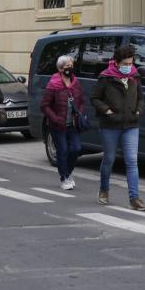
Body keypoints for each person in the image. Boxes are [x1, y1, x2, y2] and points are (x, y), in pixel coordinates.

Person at [91, 45, 145, 211]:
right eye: (125, 63)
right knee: (109, 159)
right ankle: (104, 189)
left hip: (131, 124)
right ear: (116, 62)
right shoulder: (105, 77)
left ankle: (134, 198)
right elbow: (94, 98)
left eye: (130, 63)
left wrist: (139, 111)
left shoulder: (135, 76)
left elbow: (141, 98)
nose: (128, 66)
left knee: (132, 161)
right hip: (110, 125)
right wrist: (107, 110)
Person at [40, 55, 84, 190]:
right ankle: (64, 177)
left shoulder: (75, 82)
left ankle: (68, 173)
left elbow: (81, 101)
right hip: (57, 125)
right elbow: (44, 105)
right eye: (67, 66)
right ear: (60, 68)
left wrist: (80, 113)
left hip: (72, 124)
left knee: (76, 148)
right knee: (63, 150)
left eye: (71, 65)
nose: (70, 68)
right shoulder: (54, 84)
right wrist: (55, 118)